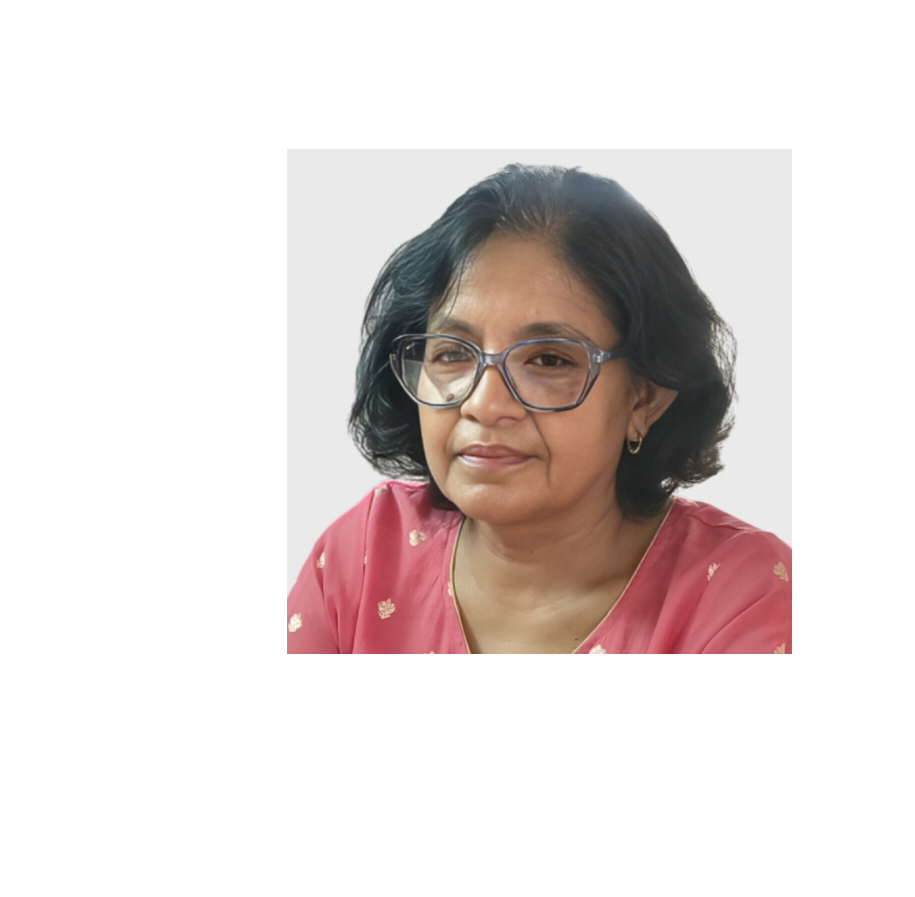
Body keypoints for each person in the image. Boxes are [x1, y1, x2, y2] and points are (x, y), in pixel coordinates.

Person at [287, 164, 791, 655]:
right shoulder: (365, 554)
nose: (484, 405)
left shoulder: (740, 597)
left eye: (549, 360)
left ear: (645, 397)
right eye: (452, 353)